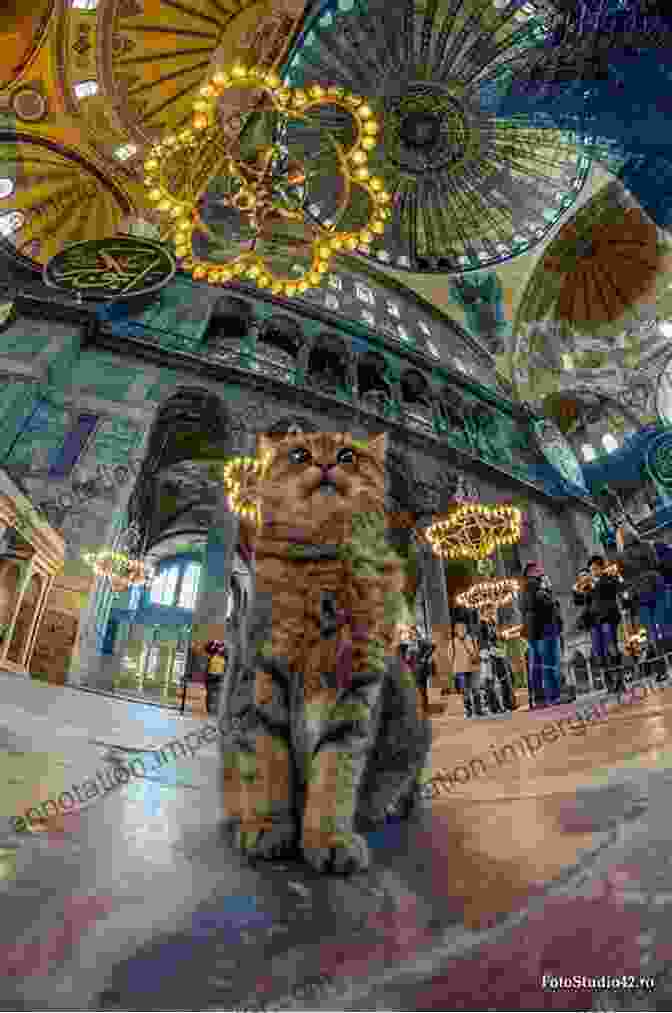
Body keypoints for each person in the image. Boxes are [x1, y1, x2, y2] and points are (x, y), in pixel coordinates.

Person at [573, 554, 624, 693]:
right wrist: (577, 588)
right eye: (591, 570)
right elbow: (578, 600)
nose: (593, 572)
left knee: (612, 649)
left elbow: (615, 587)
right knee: (599, 653)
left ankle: (619, 681)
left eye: (595, 569)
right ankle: (609, 683)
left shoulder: (607, 578)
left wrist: (597, 581)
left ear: (601, 568)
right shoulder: (589, 585)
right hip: (595, 622)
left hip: (609, 618)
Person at [521, 561, 563, 708]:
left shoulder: (527, 588)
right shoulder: (534, 586)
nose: (540, 570)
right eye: (537, 569)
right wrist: (548, 591)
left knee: (539, 666)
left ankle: (540, 698)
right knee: (548, 664)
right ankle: (553, 696)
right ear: (530, 572)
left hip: (535, 631)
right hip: (543, 630)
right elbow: (548, 604)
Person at [449, 605, 487, 718]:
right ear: (455, 630)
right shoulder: (453, 642)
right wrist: (453, 671)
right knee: (465, 692)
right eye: (458, 628)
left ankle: (478, 710)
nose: (461, 630)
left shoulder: (472, 638)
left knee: (475, 689)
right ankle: (468, 711)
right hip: (461, 670)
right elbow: (451, 657)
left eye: (463, 628)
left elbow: (476, 651)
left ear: (465, 628)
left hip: (473, 668)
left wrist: (479, 661)